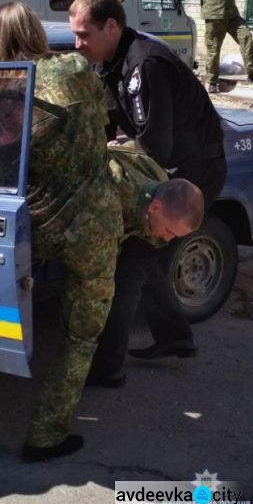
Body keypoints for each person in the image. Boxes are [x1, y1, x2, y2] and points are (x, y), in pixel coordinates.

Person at [0, 2, 123, 461]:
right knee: (80, 335)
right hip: (93, 223)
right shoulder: (76, 67)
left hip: (35, 225)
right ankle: (47, 434)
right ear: (37, 30)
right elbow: (103, 125)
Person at [68, 0, 227, 384]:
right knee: (147, 259)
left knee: (131, 263)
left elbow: (154, 146)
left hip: (191, 176)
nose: (78, 44)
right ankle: (177, 337)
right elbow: (108, 121)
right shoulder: (110, 60)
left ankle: (106, 369)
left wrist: (112, 152)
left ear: (111, 26)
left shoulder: (144, 65)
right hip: (173, 170)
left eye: (84, 35)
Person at [86, 147, 205, 386]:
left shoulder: (165, 194)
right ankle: (175, 337)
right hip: (128, 208)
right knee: (133, 277)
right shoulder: (117, 194)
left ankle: (109, 369)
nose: (169, 239)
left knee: (129, 283)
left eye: (175, 235)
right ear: (156, 208)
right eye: (170, 232)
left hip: (143, 214)